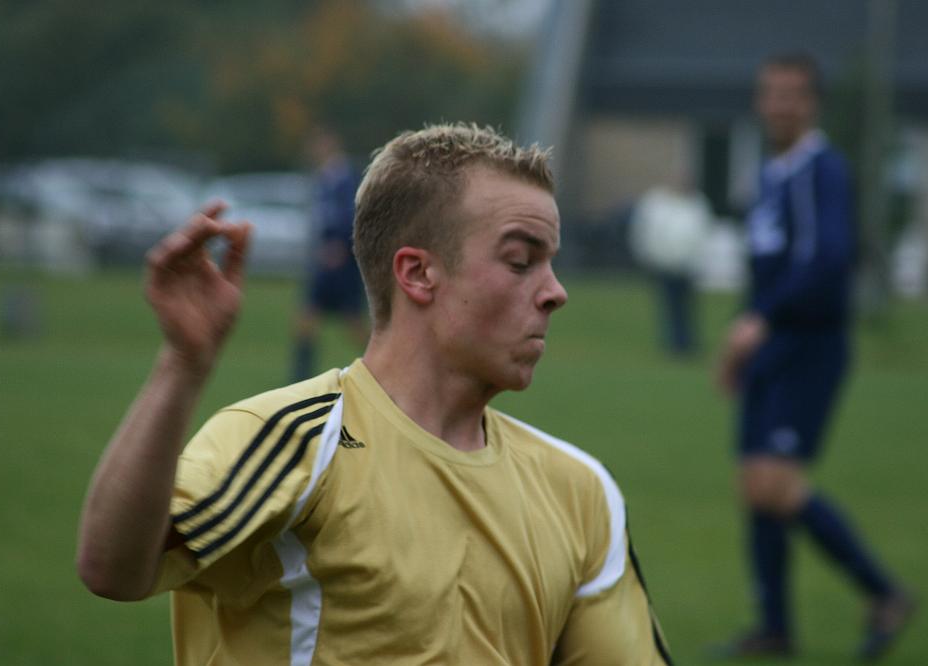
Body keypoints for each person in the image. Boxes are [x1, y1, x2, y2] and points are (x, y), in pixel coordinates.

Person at [76, 123, 673, 666]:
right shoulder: (298, 442)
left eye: (551, 264)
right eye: (521, 261)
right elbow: (114, 568)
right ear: (416, 274)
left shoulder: (582, 490)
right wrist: (182, 365)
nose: (555, 292)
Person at [716, 54, 914, 660]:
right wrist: (745, 341)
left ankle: (885, 593)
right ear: (759, 100)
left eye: (793, 95)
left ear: (812, 103)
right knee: (755, 484)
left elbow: (829, 261)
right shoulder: (773, 175)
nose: (780, 104)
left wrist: (762, 321)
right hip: (771, 346)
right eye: (771, 93)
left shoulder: (822, 170)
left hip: (809, 346)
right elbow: (766, 265)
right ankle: (774, 627)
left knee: (776, 483)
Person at [292, 125, 368, 381]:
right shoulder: (323, 178)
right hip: (324, 260)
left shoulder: (346, 177)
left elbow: (352, 214)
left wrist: (341, 246)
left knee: (353, 321)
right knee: (306, 315)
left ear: (331, 145)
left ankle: (380, 367)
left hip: (342, 261)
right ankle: (299, 377)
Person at [627, 177, 712, 356]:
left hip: (688, 266)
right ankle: (674, 343)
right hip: (665, 265)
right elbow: (647, 231)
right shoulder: (659, 204)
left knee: (686, 307)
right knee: (669, 305)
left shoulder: (697, 205)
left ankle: (687, 342)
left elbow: (703, 234)